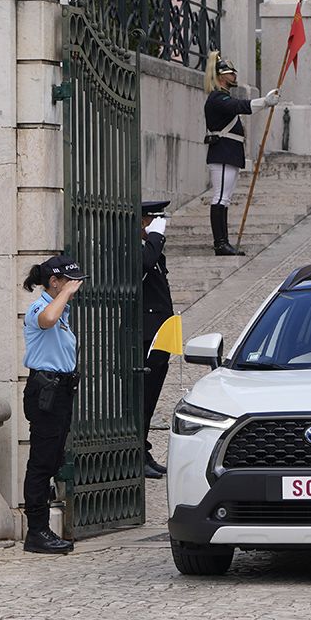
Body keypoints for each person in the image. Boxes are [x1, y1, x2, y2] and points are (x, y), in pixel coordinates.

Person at [21, 254, 87, 554]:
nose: (76, 286)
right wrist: (65, 294)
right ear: (54, 282)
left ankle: (43, 529)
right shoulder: (40, 308)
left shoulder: (63, 312)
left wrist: (65, 296)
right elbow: (46, 320)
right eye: (71, 281)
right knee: (41, 462)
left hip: (61, 391)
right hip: (45, 391)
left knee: (52, 459)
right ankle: (36, 531)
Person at [202, 52, 280, 256]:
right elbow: (240, 106)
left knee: (224, 199)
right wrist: (265, 102)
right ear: (220, 77)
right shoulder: (217, 98)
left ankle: (224, 242)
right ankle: (220, 243)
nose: (234, 75)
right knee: (220, 198)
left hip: (229, 153)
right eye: (230, 73)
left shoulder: (223, 97)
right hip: (222, 153)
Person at [139, 202, 174, 479]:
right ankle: (137, 453)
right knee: (143, 395)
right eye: (153, 219)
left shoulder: (150, 247)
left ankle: (144, 449)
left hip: (161, 331)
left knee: (151, 397)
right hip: (145, 334)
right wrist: (155, 238)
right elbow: (143, 265)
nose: (158, 225)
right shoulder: (134, 248)